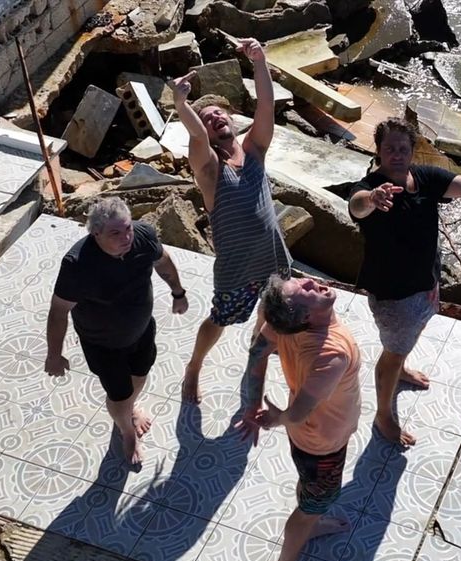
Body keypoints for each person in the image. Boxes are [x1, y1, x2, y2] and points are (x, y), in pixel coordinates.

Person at [348, 117, 461, 446]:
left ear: (413, 151)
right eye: (389, 149)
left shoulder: (425, 177)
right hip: (392, 293)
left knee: (411, 335)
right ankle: (384, 414)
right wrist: (373, 199)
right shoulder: (369, 187)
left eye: (403, 148)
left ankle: (401, 368)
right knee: (393, 352)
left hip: (425, 282)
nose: (397, 154)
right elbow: (356, 207)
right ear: (379, 152)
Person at [170, 37, 291, 404]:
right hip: (236, 269)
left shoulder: (255, 149)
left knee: (270, 316)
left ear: (232, 122)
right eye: (208, 119)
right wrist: (181, 104)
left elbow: (267, 104)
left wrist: (259, 61)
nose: (215, 118)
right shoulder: (209, 168)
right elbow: (193, 132)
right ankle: (194, 366)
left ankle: (258, 358)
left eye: (219, 114)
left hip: (273, 258)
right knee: (219, 321)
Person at [44, 198, 189, 465]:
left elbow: (163, 261)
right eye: (115, 233)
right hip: (102, 343)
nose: (126, 237)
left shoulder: (142, 235)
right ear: (96, 233)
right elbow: (58, 311)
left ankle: (129, 410)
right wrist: (54, 355)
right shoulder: (78, 265)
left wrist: (178, 293)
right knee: (118, 394)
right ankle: (126, 431)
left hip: (142, 329)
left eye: (127, 229)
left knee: (140, 374)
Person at [237, 275, 362, 561]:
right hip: (322, 444)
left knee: (308, 487)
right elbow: (296, 415)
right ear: (305, 316)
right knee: (311, 506)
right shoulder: (330, 354)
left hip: (308, 438)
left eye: (299, 281)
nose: (309, 281)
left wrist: (253, 403)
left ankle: (313, 522)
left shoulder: (286, 323)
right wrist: (275, 418)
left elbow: (257, 350)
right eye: (303, 291)